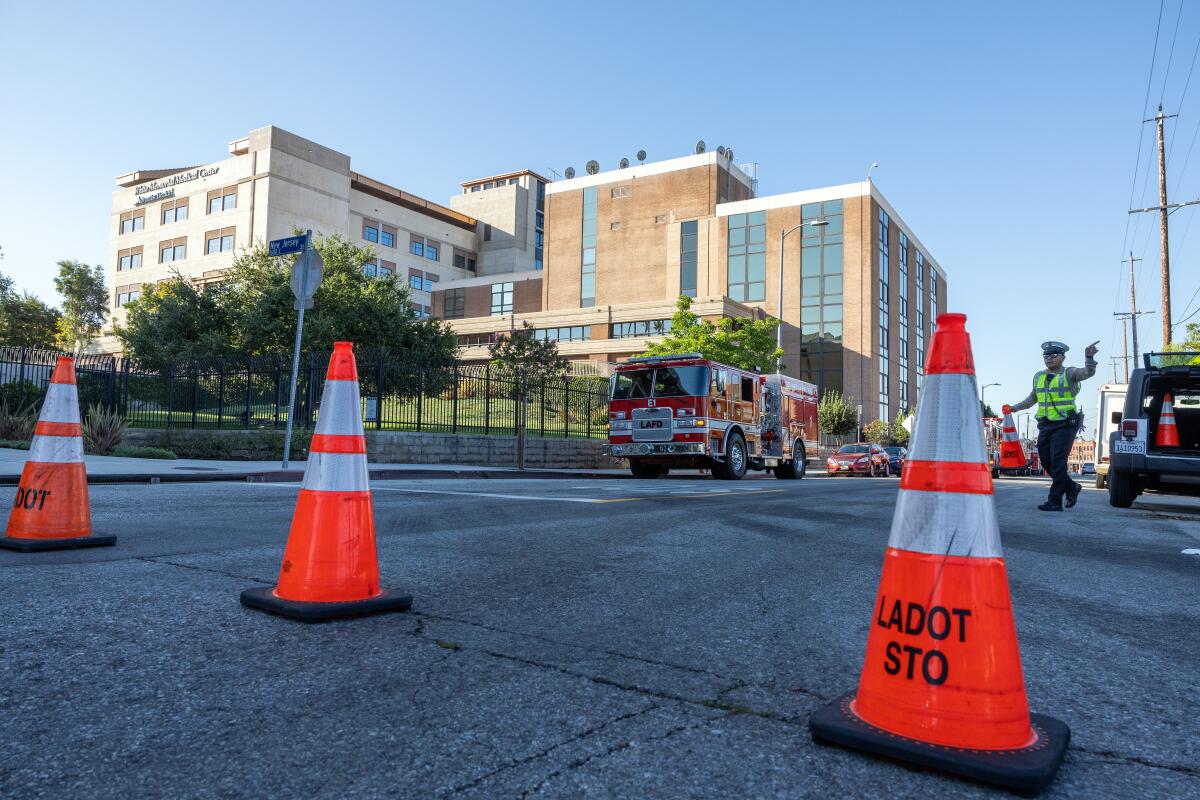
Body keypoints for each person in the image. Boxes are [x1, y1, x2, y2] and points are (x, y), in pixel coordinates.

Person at [1007, 340, 1098, 511]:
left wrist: (1089, 357)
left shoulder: (1069, 373)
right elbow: (1032, 399)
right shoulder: (1039, 376)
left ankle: (1055, 501)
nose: (1049, 359)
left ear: (1063, 357)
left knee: (1058, 462)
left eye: (1053, 355)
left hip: (1065, 425)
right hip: (1046, 425)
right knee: (1047, 462)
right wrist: (1014, 408)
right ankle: (1071, 487)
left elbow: (1088, 372)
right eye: (1046, 356)